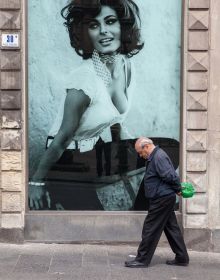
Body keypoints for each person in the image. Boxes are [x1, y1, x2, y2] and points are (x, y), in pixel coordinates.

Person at [28, 0, 144, 210]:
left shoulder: (126, 64)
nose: (103, 31)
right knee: (95, 224)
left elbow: (116, 118)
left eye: (110, 21)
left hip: (95, 149)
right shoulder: (84, 80)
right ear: (85, 33)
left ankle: (146, 223)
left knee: (163, 156)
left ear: (123, 26)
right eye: (93, 25)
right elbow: (61, 139)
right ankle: (56, 191)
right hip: (66, 160)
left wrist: (118, 152)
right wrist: (36, 182)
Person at [125, 137, 189, 268]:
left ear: (147, 146)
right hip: (164, 197)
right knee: (171, 228)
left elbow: (170, 175)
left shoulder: (158, 157)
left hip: (162, 199)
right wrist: (175, 190)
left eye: (140, 152)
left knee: (150, 229)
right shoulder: (156, 156)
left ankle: (142, 259)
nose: (140, 155)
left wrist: (178, 189)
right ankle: (182, 257)